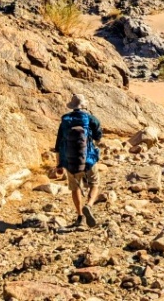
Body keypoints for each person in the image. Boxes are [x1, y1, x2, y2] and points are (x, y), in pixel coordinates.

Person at [54, 93, 103, 228]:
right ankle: (89, 205)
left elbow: (58, 144)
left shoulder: (65, 120)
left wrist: (58, 164)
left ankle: (80, 217)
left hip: (70, 161)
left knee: (75, 188)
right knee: (94, 183)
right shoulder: (89, 118)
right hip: (89, 159)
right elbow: (99, 134)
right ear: (83, 105)